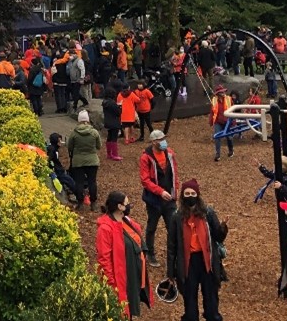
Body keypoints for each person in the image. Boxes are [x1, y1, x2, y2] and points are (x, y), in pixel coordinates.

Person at [166, 179, 227, 321]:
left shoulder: (208, 213)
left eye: (193, 193)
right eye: (187, 193)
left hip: (207, 260)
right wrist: (170, 272)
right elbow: (171, 246)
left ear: (198, 195)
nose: (190, 196)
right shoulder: (176, 217)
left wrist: (223, 228)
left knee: (211, 302)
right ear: (182, 195)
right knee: (190, 305)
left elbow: (218, 237)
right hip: (188, 262)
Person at [96, 191, 151, 319]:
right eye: (127, 203)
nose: (129, 206)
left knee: (129, 308)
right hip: (120, 278)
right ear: (119, 207)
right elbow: (104, 259)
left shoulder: (126, 221)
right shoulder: (105, 229)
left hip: (131, 275)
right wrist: (110, 283)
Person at [140, 129, 179, 267]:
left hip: (169, 199)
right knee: (152, 227)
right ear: (153, 142)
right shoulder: (146, 158)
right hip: (154, 200)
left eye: (164, 138)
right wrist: (160, 192)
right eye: (160, 139)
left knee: (173, 226)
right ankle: (150, 253)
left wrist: (175, 192)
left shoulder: (170, 154)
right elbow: (145, 180)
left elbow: (174, 173)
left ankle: (175, 255)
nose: (163, 142)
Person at [68, 109, 102, 212]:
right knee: (92, 182)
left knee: (79, 182)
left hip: (78, 161)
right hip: (92, 160)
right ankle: (93, 203)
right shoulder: (94, 132)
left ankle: (80, 203)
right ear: (87, 120)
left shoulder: (74, 133)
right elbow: (99, 146)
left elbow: (70, 147)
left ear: (79, 120)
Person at [210, 86, 233, 161]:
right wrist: (211, 121)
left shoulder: (228, 99)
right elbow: (212, 112)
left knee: (229, 137)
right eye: (222, 92)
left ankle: (231, 150)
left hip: (227, 121)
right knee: (217, 137)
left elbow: (233, 110)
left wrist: (233, 121)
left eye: (224, 91)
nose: (224, 93)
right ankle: (218, 154)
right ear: (218, 94)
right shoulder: (214, 100)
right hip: (218, 122)